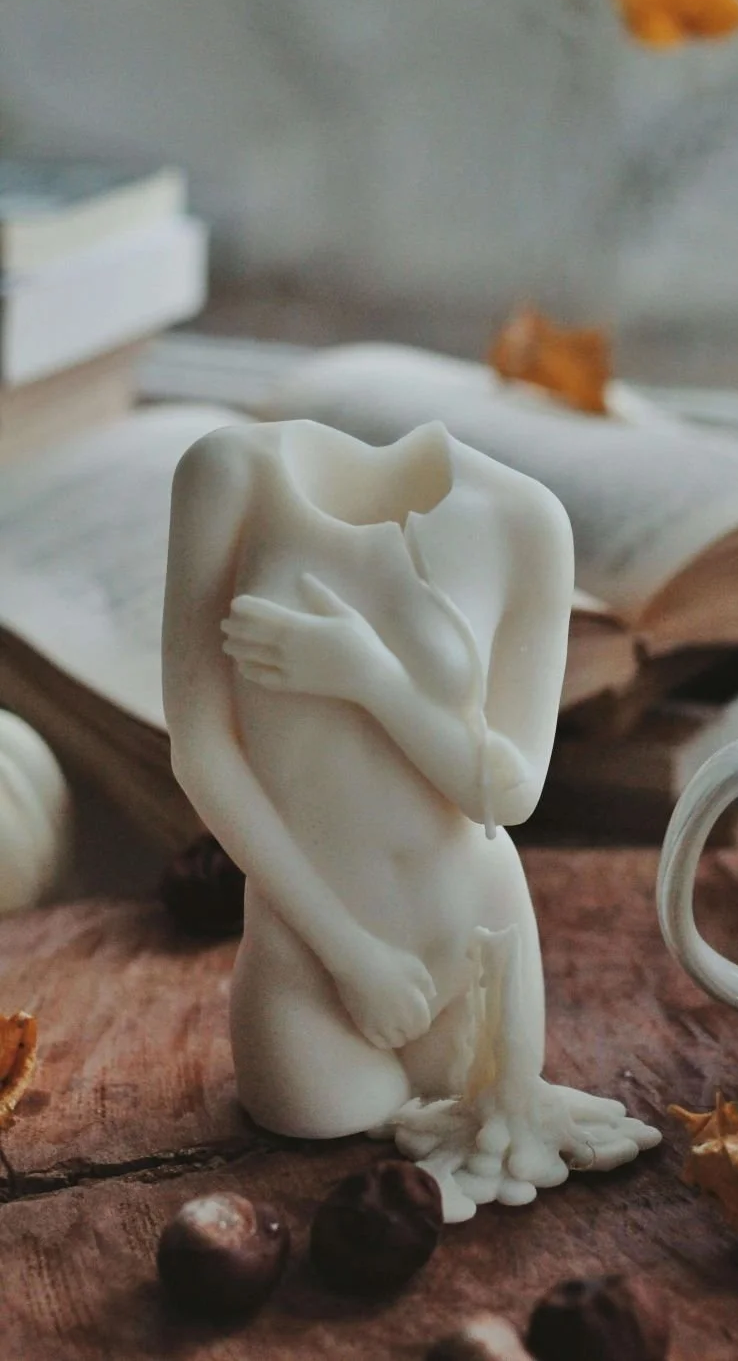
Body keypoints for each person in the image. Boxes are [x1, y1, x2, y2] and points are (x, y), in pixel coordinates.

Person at [162, 417, 658, 1219]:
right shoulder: (228, 476)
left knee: (493, 1139)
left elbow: (508, 793)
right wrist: (350, 955)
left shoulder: (524, 519)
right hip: (311, 948)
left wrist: (372, 678)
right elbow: (200, 748)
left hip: (471, 940)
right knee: (315, 1121)